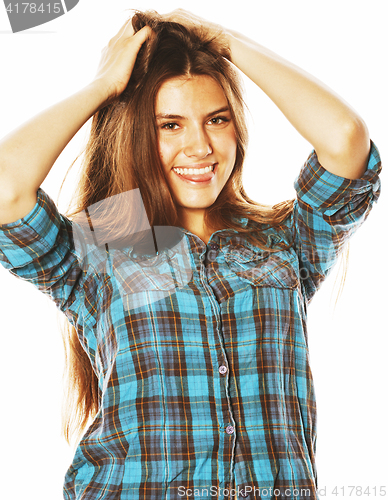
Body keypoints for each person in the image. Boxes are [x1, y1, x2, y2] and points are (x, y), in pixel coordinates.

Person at [0, 8, 381, 500]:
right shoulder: (105, 240)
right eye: (170, 125)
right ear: (140, 133)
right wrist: (104, 86)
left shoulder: (284, 239)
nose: (199, 146)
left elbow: (346, 137)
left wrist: (225, 41)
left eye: (216, 119)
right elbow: (6, 188)